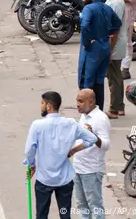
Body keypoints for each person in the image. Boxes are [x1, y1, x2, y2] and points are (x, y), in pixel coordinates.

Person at [22, 90, 99, 219]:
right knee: (65, 214)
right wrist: (73, 150)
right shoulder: (71, 124)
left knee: (41, 214)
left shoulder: (37, 125)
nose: (41, 106)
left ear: (48, 106)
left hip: (44, 179)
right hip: (65, 179)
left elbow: (29, 150)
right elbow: (92, 139)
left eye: (42, 103)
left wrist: (31, 164)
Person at [79, 0, 119, 110]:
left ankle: (88, 114)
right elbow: (117, 23)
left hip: (92, 49)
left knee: (86, 83)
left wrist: (87, 42)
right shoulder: (106, 7)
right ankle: (99, 111)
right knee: (99, 82)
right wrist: (106, 33)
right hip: (104, 47)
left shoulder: (88, 9)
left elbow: (84, 26)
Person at [72, 89, 111, 219]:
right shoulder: (84, 115)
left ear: (91, 101)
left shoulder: (100, 119)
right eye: (77, 101)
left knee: (95, 205)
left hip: (91, 170)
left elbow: (106, 145)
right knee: (82, 206)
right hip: (78, 168)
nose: (77, 104)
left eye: (81, 101)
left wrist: (93, 136)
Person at [101, 0, 127, 117]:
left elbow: (114, 28)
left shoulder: (116, 3)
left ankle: (114, 109)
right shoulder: (111, 0)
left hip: (115, 43)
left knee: (113, 78)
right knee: (116, 76)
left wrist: (109, 50)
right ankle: (119, 106)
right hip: (114, 43)